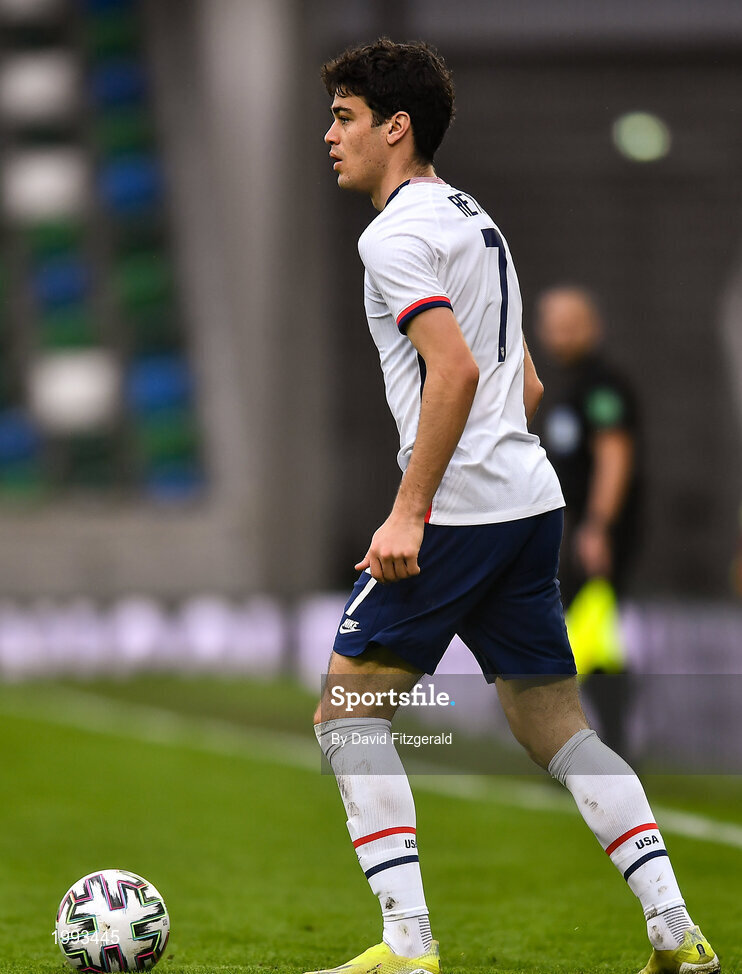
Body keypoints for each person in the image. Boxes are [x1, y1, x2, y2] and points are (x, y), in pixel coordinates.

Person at [307, 38, 718, 974]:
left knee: (347, 715)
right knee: (556, 725)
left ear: (394, 128)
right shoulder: (474, 218)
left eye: (344, 117)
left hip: (456, 509)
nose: (329, 136)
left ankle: (407, 947)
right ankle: (676, 932)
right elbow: (523, 382)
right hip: (529, 501)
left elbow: (454, 368)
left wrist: (412, 509)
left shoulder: (394, 233)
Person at [533, 286, 641, 755]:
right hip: (577, 529)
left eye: (569, 323)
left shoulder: (602, 386)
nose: (559, 334)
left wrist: (598, 526)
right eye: (552, 323)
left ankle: (608, 743)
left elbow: (615, 455)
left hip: (598, 534)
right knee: (594, 640)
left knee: (587, 638)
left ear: (592, 326)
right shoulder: (570, 384)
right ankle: (608, 745)